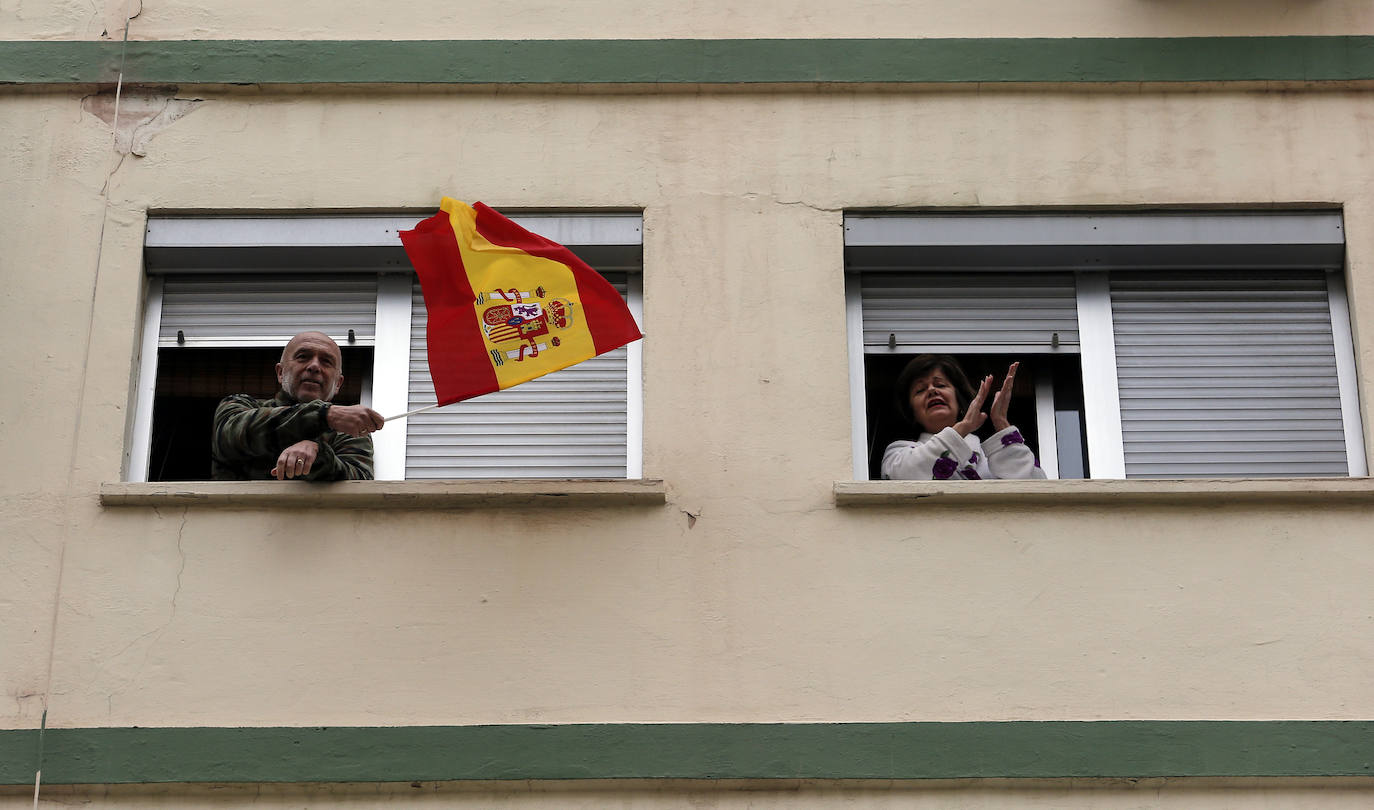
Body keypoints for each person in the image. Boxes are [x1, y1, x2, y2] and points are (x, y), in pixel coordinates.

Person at [211, 330, 384, 481]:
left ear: (338, 384)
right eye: (303, 357)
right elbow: (229, 436)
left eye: (326, 361)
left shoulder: (349, 432)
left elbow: (358, 482)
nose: (314, 366)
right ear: (280, 373)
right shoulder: (241, 405)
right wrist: (324, 415)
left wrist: (317, 452)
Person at [881, 354, 1046, 481]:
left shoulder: (991, 456)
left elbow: (1038, 490)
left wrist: (1001, 423)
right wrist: (964, 426)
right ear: (912, 412)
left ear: (958, 400)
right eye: (920, 390)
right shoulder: (898, 453)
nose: (932, 390)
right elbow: (903, 476)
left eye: (940, 385)